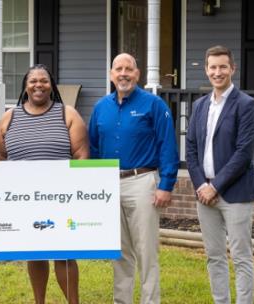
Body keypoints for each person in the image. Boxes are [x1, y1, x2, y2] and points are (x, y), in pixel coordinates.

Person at [89, 53, 179, 304]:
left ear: (137, 74)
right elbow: (94, 148)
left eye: (129, 69)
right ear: (111, 74)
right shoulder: (100, 108)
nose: (123, 73)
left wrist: (166, 184)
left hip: (142, 182)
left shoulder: (154, 105)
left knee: (147, 251)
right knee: (119, 252)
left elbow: (167, 146)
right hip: (109, 184)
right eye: (118, 69)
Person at [0, 64, 89, 304]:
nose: (38, 85)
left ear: (51, 85)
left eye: (44, 81)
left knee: (64, 256)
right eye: (33, 81)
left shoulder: (67, 114)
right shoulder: (9, 117)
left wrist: (78, 195)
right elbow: (2, 158)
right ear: (25, 86)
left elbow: (82, 156)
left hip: (61, 198)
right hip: (24, 200)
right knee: (35, 255)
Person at [186, 45, 254, 304]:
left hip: (236, 193)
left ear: (232, 69)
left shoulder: (246, 105)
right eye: (213, 67)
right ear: (206, 70)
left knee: (241, 257)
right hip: (203, 194)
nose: (218, 72)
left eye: (223, 67)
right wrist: (200, 185)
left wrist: (214, 186)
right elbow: (191, 147)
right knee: (214, 256)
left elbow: (243, 153)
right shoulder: (199, 106)